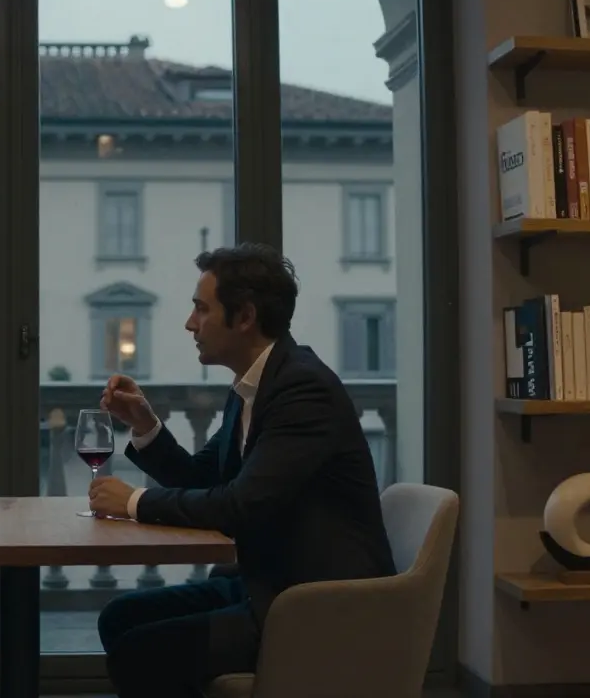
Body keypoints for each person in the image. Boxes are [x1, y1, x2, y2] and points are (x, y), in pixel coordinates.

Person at [87, 243, 396, 697]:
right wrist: (145, 424)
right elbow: (202, 478)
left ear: (245, 316)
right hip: (268, 586)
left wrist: (134, 501)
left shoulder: (302, 389)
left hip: (315, 606)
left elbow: (238, 505)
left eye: (201, 309)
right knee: (119, 618)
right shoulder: (253, 384)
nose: (190, 323)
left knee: (140, 652)